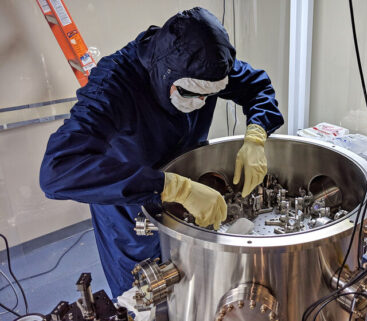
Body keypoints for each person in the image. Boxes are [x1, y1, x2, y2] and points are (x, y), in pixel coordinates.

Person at [39, 7, 284, 298]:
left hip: (191, 190)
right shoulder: (113, 85)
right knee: (143, 294)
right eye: (192, 94)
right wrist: (169, 186)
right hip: (131, 206)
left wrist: (256, 135)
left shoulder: (210, 64)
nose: (202, 103)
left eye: (210, 96)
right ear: (165, 74)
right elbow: (57, 170)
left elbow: (257, 86)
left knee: (197, 290)